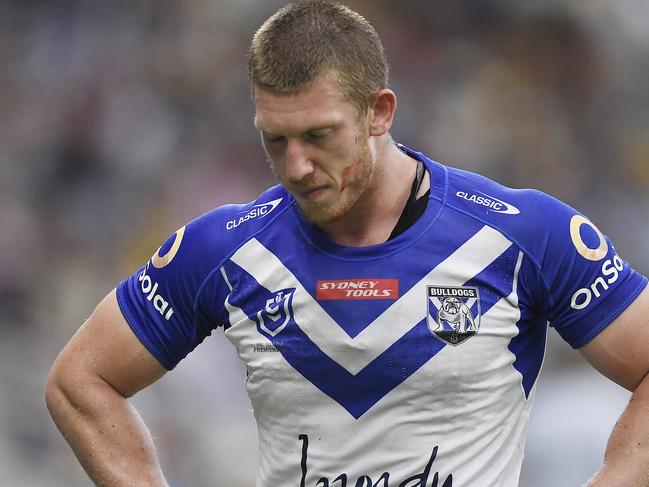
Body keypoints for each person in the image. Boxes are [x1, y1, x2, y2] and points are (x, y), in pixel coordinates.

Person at [45, 1, 649, 486]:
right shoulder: (222, 251)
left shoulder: (523, 234)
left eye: (318, 135)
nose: (298, 165)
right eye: (275, 139)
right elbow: (80, 382)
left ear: (378, 112)